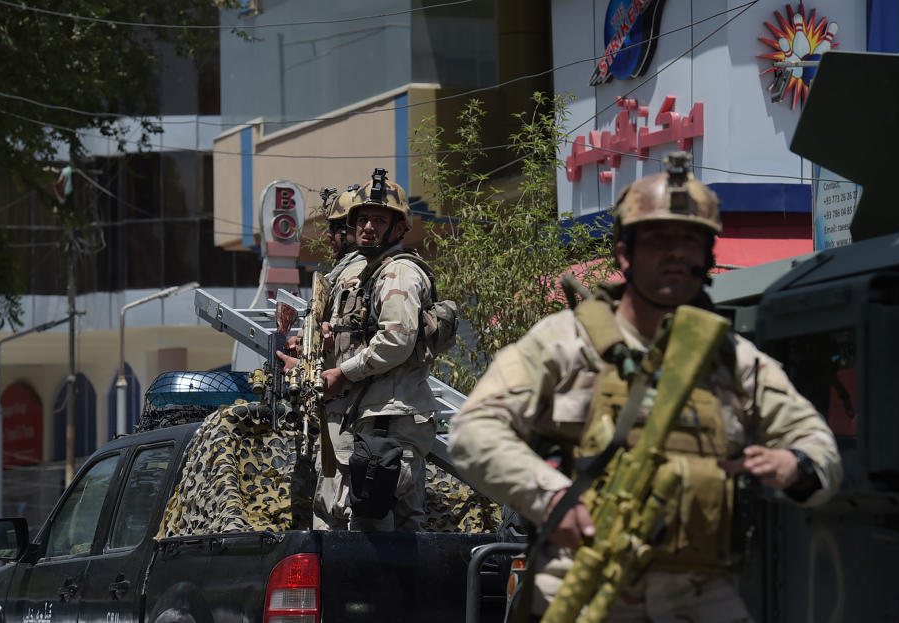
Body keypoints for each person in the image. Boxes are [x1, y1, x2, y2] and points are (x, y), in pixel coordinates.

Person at [448, 152, 842, 621]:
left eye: (691, 241)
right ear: (624, 253)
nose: (676, 253)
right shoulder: (566, 342)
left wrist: (792, 464)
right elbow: (473, 430)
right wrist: (550, 495)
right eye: (658, 240)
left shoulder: (734, 360)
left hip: (701, 600)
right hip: (583, 589)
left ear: (708, 255)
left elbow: (820, 450)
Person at [312, 168, 438, 532]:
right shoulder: (371, 271)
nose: (367, 227)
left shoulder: (397, 272)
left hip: (391, 417)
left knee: (373, 528)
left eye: (378, 220)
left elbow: (397, 340)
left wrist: (342, 372)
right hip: (380, 416)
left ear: (399, 228)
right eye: (362, 219)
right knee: (386, 525)